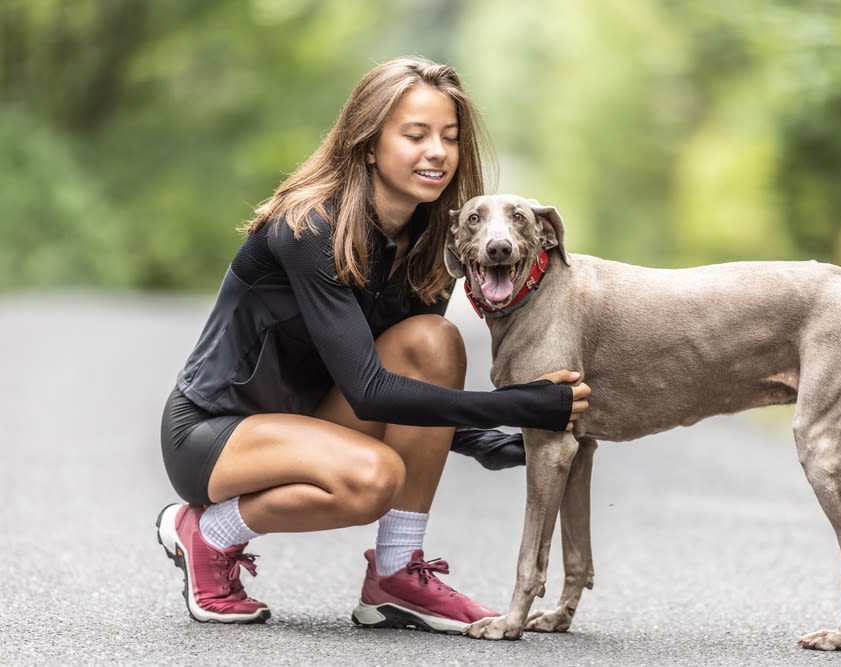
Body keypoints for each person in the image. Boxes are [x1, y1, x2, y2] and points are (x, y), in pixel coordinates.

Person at [155, 56, 591, 633]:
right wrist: (520, 405)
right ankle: (207, 533)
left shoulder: (428, 240)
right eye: (415, 135)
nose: (437, 151)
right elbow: (371, 391)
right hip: (217, 431)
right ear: (367, 145)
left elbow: (413, 384)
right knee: (372, 479)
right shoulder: (307, 226)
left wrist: (507, 440)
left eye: (450, 138)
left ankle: (396, 575)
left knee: (435, 340)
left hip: (314, 419)